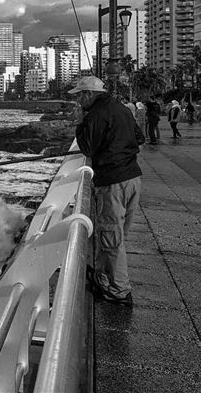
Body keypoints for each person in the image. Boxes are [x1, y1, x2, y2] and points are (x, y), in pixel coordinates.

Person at [70, 76, 145, 306]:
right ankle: (104, 279)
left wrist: (80, 122)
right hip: (133, 178)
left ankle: (120, 291)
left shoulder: (96, 114)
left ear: (89, 94)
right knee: (114, 234)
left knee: (111, 237)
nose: (78, 100)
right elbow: (140, 138)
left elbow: (88, 147)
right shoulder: (120, 108)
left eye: (80, 96)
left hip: (113, 183)